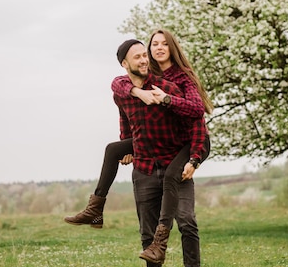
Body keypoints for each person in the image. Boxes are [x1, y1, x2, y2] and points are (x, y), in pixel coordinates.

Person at [64, 29, 213, 234]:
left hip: (188, 140)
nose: (159, 48)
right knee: (113, 149)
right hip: (156, 139)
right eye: (154, 44)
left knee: (172, 180)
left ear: (173, 47)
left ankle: (161, 237)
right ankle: (95, 208)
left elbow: (197, 111)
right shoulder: (147, 73)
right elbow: (118, 86)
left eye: (164, 44)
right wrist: (136, 94)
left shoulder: (182, 76)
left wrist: (167, 99)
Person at [111, 38, 210, 267]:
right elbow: (125, 118)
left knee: (187, 222)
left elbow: (196, 120)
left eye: (146, 55)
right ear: (125, 64)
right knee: (147, 231)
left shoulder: (170, 86)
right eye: (138, 56)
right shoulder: (123, 90)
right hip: (143, 169)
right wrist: (126, 145)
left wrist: (194, 158)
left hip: (175, 166)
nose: (144, 59)